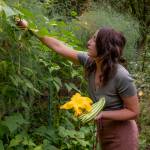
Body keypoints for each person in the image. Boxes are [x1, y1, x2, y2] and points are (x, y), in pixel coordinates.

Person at [17, 20, 139, 150]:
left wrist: (103, 114)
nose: (89, 42)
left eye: (94, 40)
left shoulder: (121, 76)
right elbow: (58, 46)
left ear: (105, 47)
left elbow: (133, 112)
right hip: (103, 130)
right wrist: (29, 28)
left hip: (123, 135)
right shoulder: (90, 62)